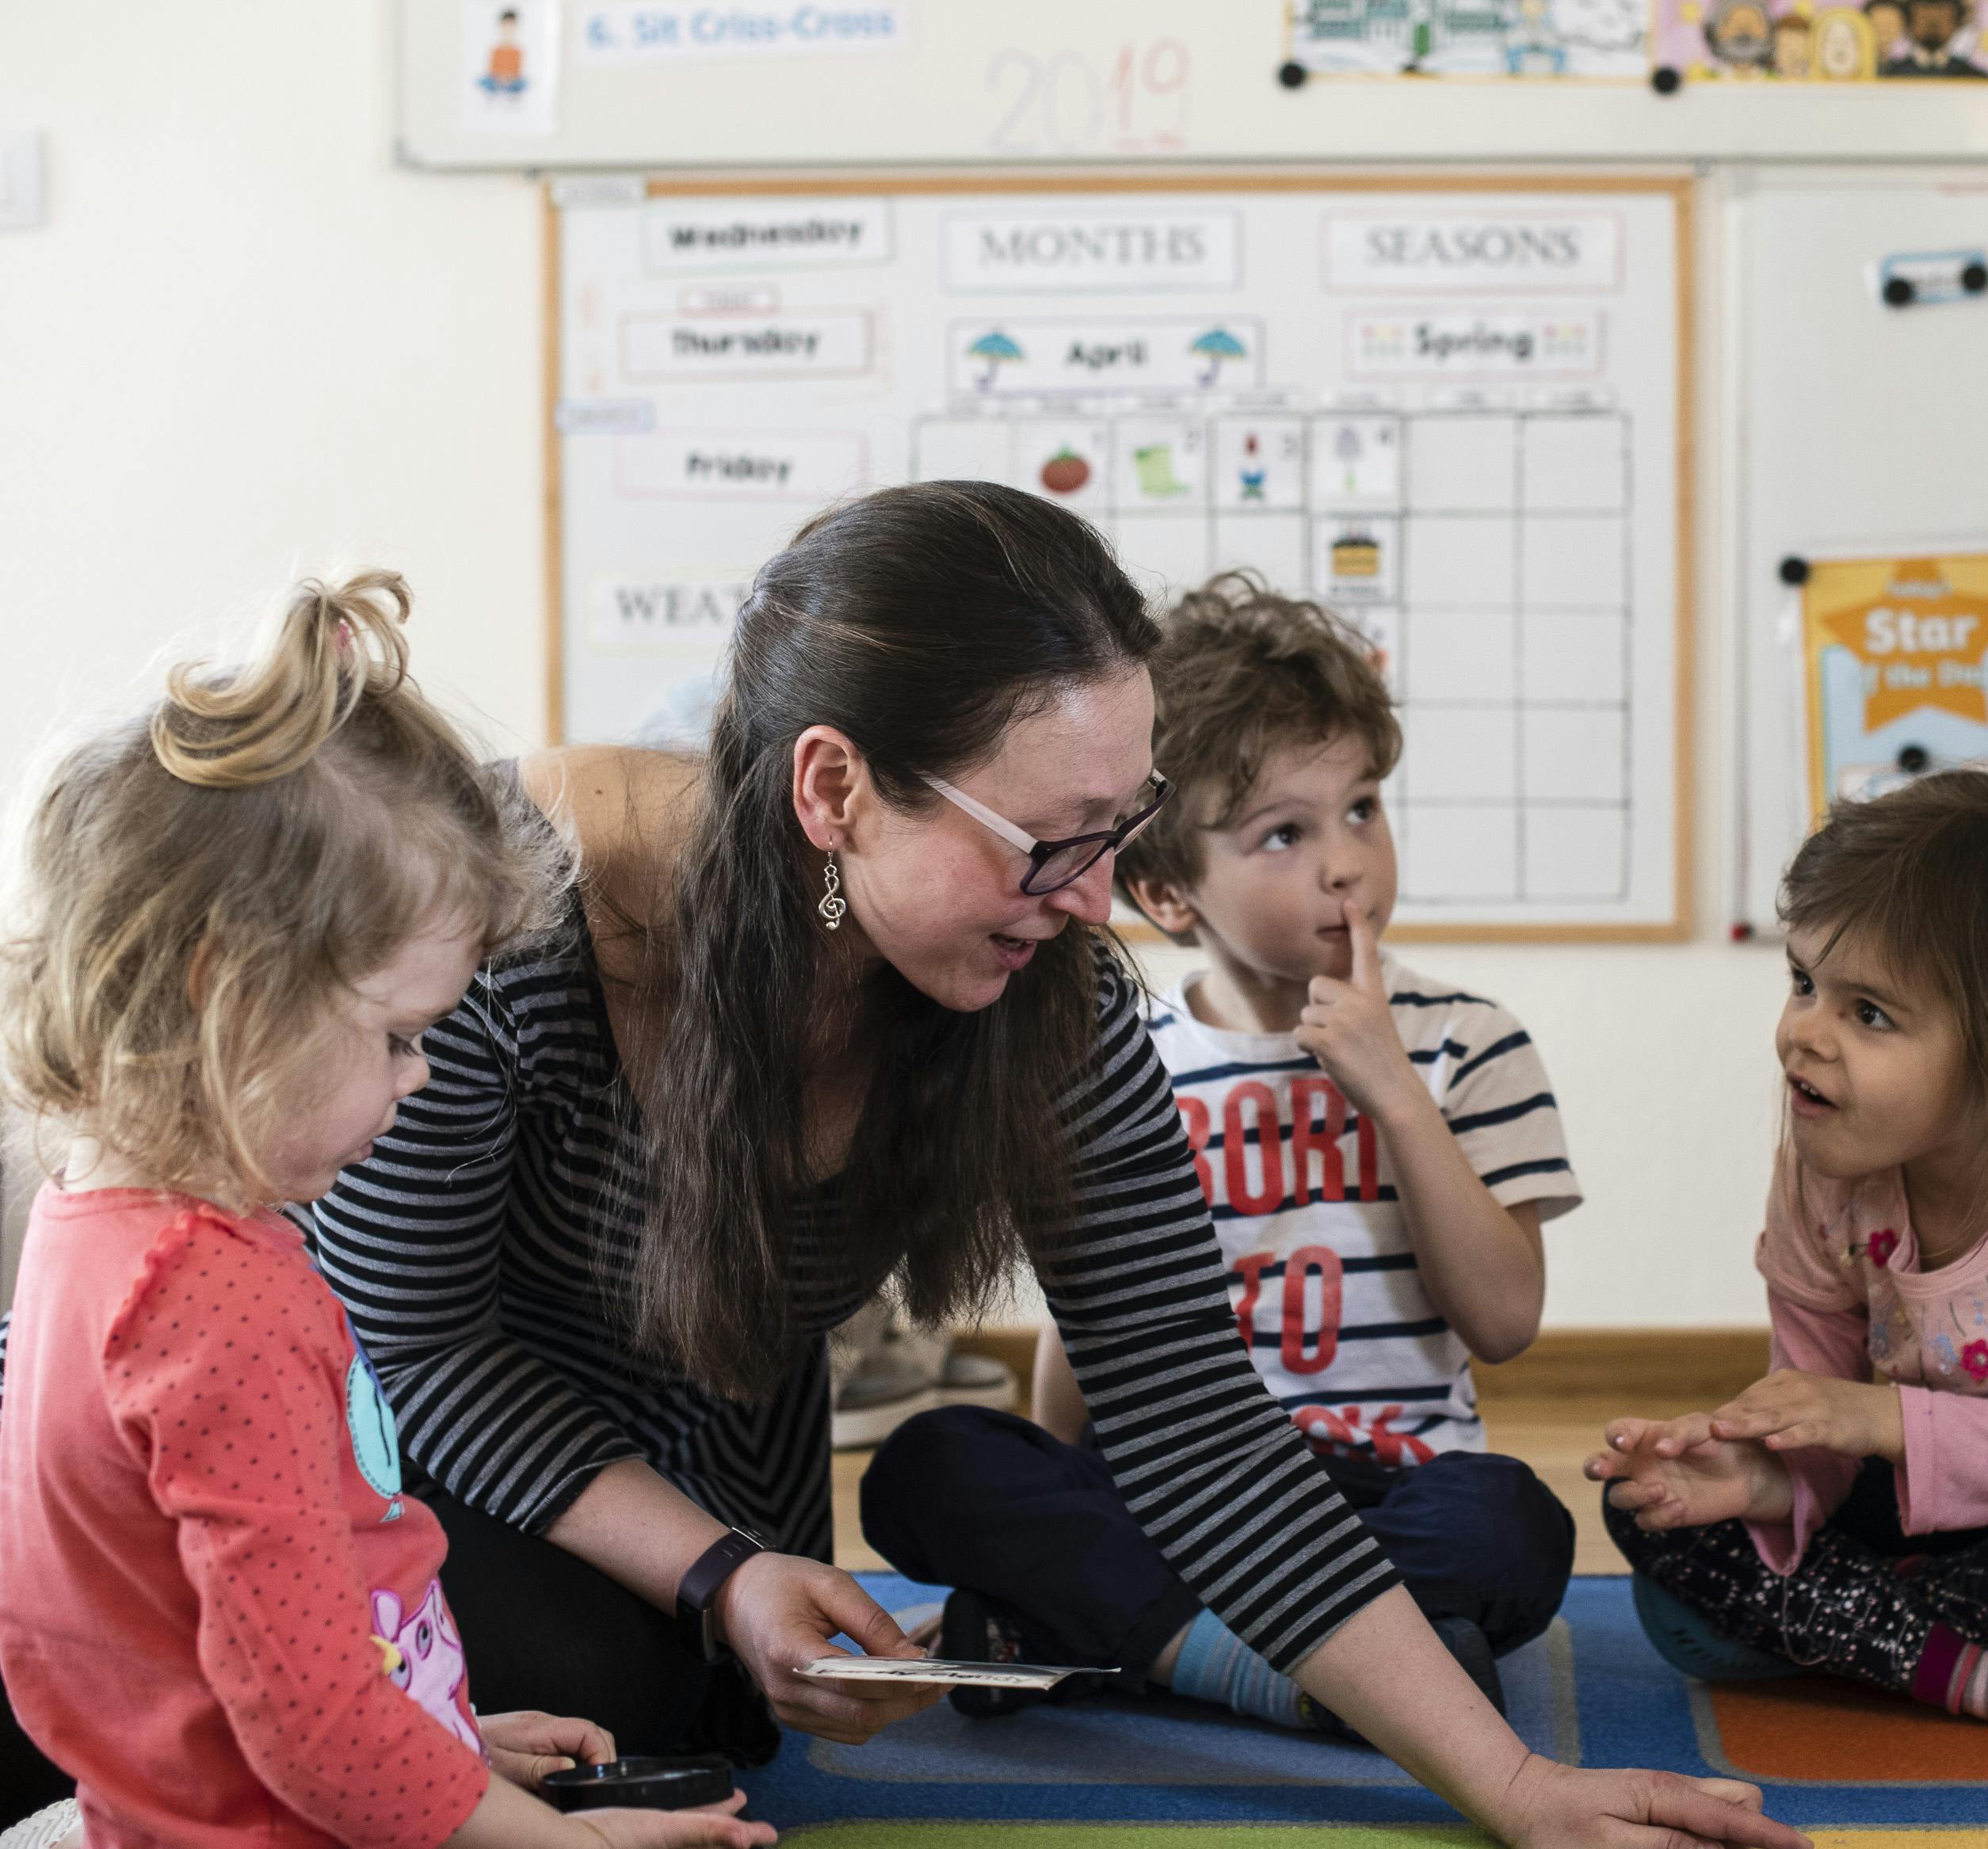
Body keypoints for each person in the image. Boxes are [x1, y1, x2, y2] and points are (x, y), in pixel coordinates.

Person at [303, 482, 1804, 1849]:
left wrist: (1520, 1787)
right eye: (1044, 839)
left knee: (706, 1727)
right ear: (833, 790)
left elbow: (1191, 1418)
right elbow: (416, 1343)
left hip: (716, 1445)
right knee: (572, 1698)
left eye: (1120, 826)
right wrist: (713, 1570)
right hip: (410, 1439)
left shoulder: (1047, 988)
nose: (1094, 900)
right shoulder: (508, 921)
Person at [0, 574, 770, 1847]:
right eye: (401, 1035)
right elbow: (307, 1727)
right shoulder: (218, 1297)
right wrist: (566, 1841)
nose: (421, 1079)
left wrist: (453, 1735)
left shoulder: (96, 1221)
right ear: (228, 992)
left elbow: (228, 1638)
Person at [860, 577, 1578, 1735]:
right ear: (1162, 887)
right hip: (1182, 1489)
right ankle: (1307, 1674)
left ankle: (1118, 1637)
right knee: (930, 1463)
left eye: (1362, 808)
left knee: (1511, 1526)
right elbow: (1092, 1335)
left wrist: (1395, 1096)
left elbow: (1500, 1322)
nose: (1346, 863)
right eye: (1284, 833)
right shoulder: (1120, 1054)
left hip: (1394, 1490)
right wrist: (1053, 1477)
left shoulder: (1467, 1044)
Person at [1583, 770, 1988, 1749]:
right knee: (1656, 1521)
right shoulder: (1827, 1156)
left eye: (1869, 1013)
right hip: (1930, 1520)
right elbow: (1810, 1401)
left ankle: (1885, 1645)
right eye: (1804, 983)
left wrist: (1878, 1416)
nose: (1806, 1034)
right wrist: (1769, 1482)